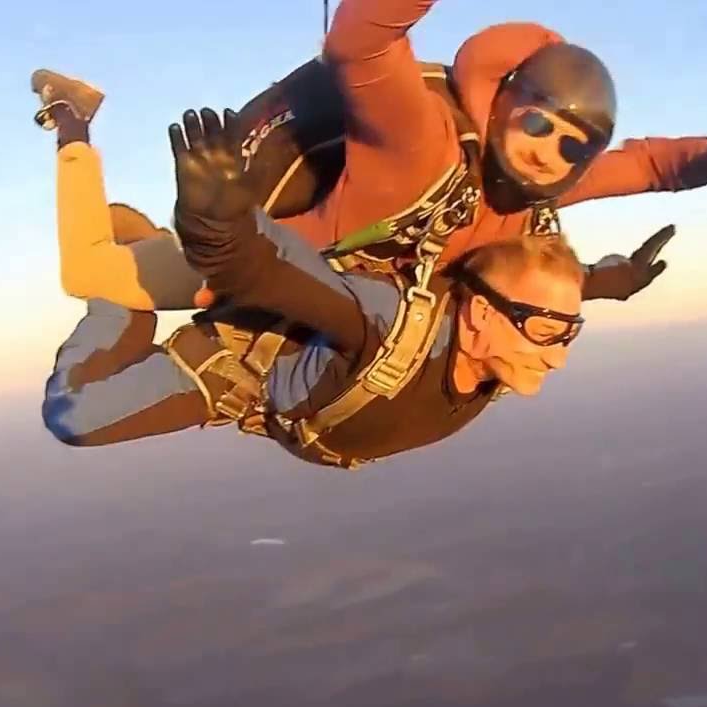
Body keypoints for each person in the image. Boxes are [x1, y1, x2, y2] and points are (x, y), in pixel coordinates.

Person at [38, 92, 647, 470]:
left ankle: (142, 254)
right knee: (74, 416)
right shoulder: (384, 324)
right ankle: (75, 133)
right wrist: (219, 218)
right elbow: (271, 268)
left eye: (567, 332)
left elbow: (536, 294)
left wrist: (611, 280)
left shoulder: (502, 336)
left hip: (289, 399)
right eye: (547, 332)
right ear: (482, 314)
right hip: (236, 369)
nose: (557, 355)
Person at [206, 0, 707, 301]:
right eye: (536, 123)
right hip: (245, 266)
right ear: (500, 104)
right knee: (164, 273)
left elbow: (651, 166)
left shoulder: (533, 196)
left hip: (333, 311)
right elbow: (361, 45)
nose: (548, 151)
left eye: (572, 145)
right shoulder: (422, 142)